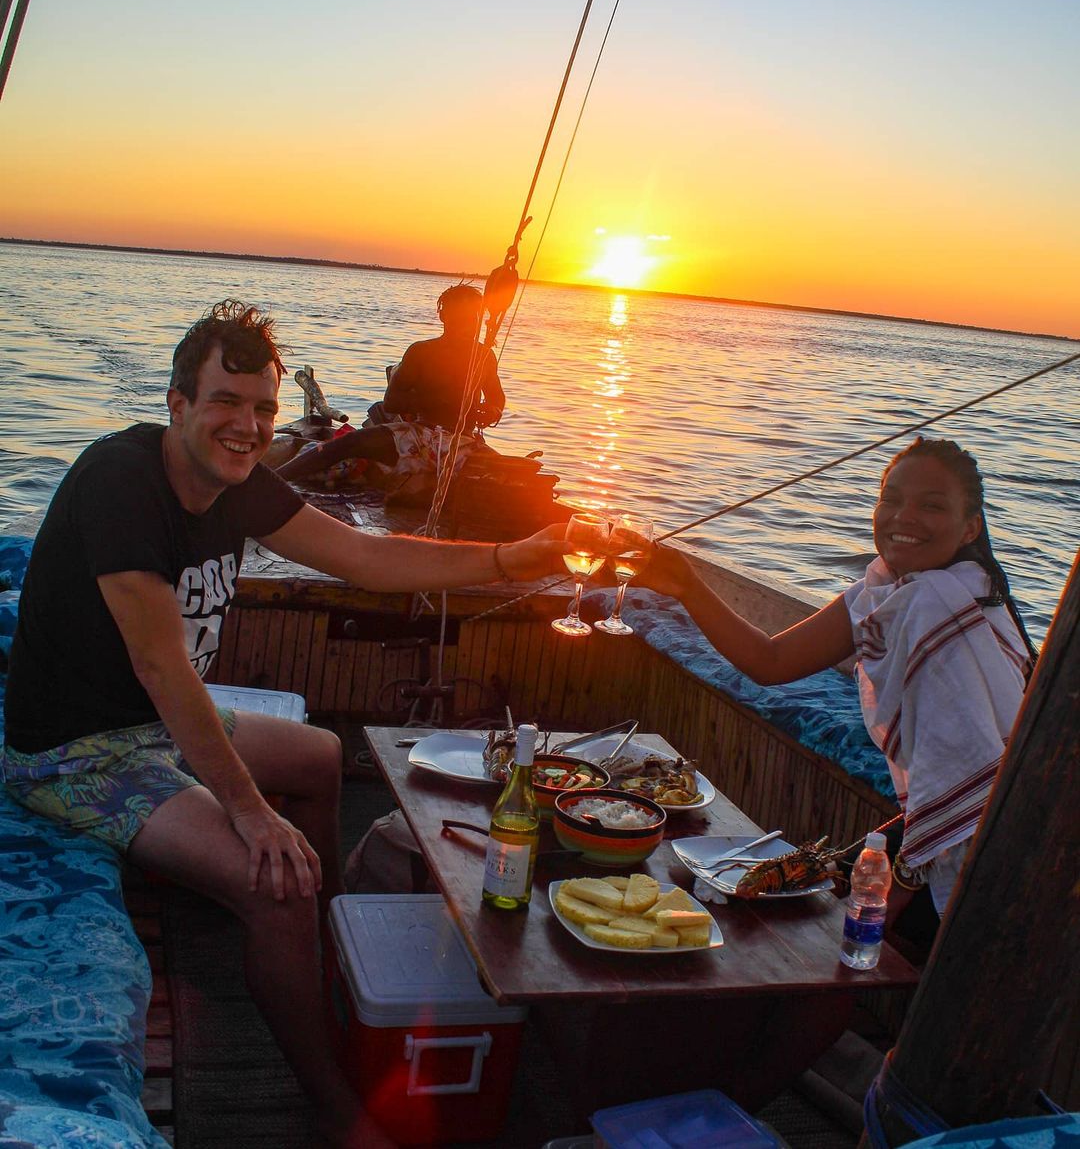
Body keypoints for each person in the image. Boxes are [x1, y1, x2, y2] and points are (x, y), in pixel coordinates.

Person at [1, 300, 563, 1149]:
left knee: (319, 754)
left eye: (263, 408)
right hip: (77, 750)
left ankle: (326, 947)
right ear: (178, 403)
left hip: (155, 719)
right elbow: (162, 670)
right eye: (225, 402)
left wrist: (506, 559)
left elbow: (366, 557)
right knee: (277, 879)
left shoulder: (239, 483)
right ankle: (332, 1099)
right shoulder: (119, 482)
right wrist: (248, 812)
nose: (249, 426)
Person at [641, 436, 1038, 925]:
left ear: (970, 527)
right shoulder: (883, 592)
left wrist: (879, 914)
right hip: (936, 825)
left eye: (931, 506)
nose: (903, 517)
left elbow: (959, 785)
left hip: (985, 845)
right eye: (890, 500)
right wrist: (684, 582)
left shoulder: (937, 606)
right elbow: (772, 660)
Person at [276, 283, 505, 494]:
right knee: (350, 442)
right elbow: (391, 402)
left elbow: (497, 398)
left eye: (473, 317)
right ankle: (275, 479)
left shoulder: (485, 356)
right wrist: (437, 403)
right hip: (417, 434)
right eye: (460, 316)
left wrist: (492, 411)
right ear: (444, 316)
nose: (467, 323)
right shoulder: (421, 352)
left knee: (508, 471)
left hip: (463, 443)